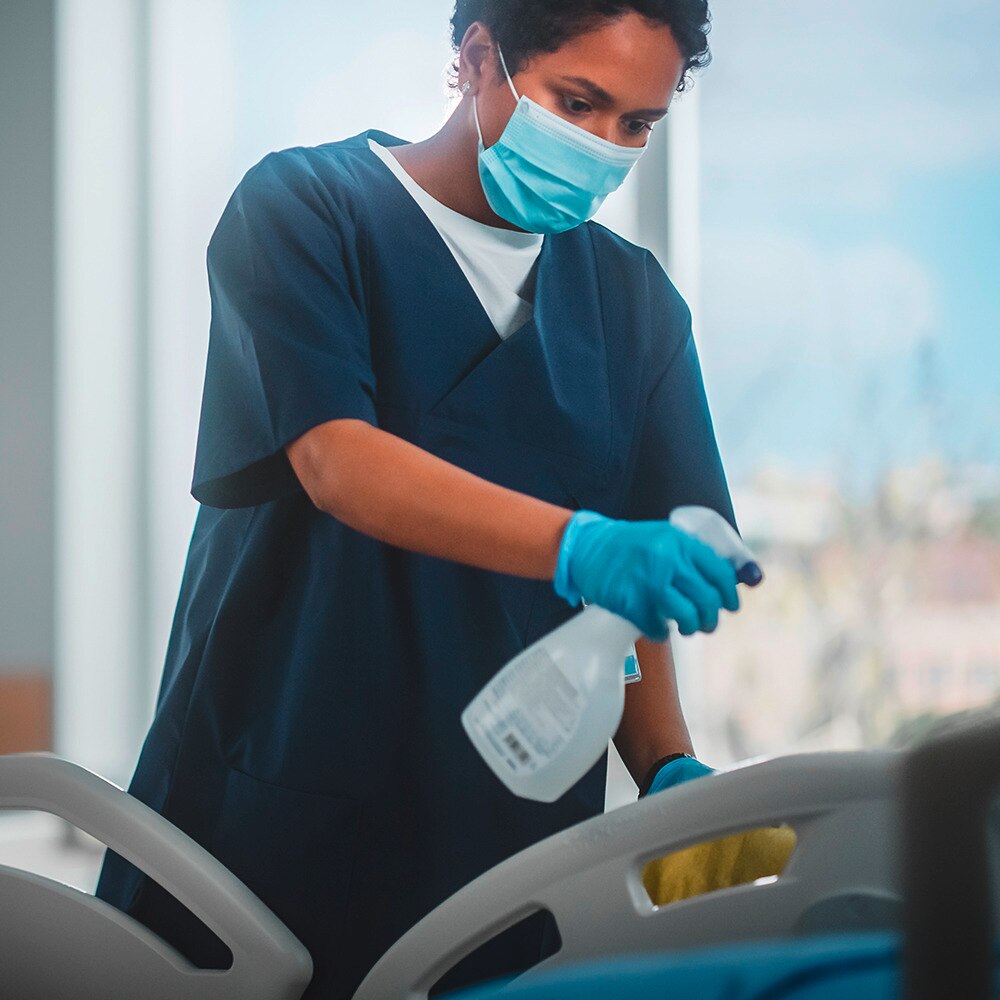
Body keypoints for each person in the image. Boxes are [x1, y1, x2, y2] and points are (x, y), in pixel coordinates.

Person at [95, 2, 762, 997]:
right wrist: (579, 544)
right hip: (272, 811)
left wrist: (665, 762)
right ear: (477, 57)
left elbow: (632, 596)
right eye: (578, 102)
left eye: (636, 123)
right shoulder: (307, 209)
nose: (603, 150)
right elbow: (339, 461)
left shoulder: (635, 307)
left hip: (509, 840)